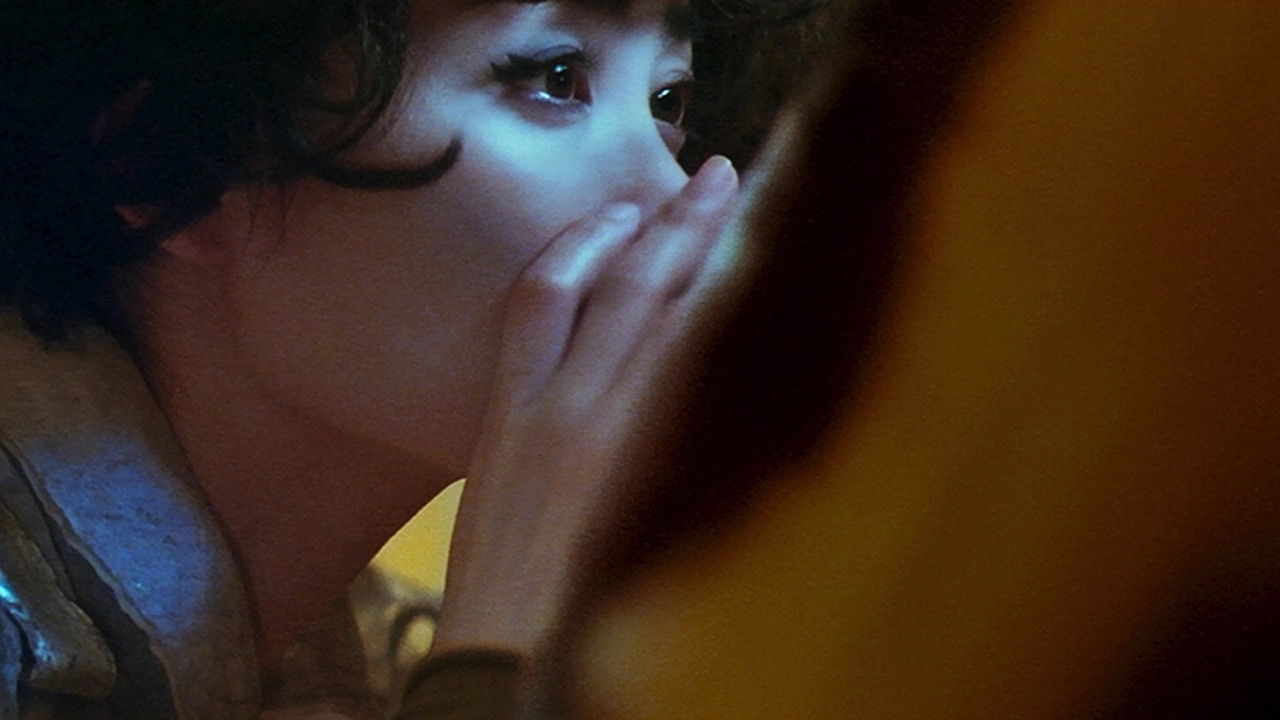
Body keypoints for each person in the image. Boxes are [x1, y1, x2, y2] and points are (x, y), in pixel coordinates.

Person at [0, 0, 824, 716]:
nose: (672, 197)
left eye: (668, 101)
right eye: (556, 77)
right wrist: (500, 646)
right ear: (170, 160)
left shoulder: (357, 666)